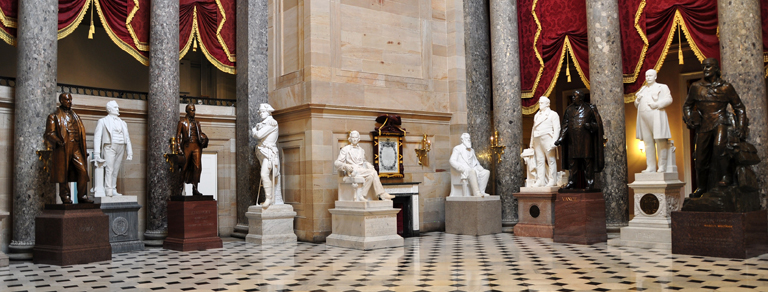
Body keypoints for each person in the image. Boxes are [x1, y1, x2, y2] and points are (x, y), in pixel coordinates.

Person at [683, 58, 748, 198]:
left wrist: (742, 126)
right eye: (704, 67)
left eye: (708, 67)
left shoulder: (726, 87)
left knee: (720, 147)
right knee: (699, 158)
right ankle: (701, 187)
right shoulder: (696, 87)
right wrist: (689, 118)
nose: (705, 70)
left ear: (716, 69)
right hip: (703, 124)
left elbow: (739, 107)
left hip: (720, 120)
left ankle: (727, 177)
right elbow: (687, 105)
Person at [44, 93, 92, 204]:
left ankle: (82, 196)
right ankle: (65, 196)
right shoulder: (54, 116)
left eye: (70, 99)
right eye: (67, 100)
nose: (70, 101)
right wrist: (58, 141)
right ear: (61, 101)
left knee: (83, 171)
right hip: (63, 147)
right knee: (63, 174)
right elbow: (49, 133)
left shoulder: (76, 116)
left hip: (76, 146)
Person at [554, 90, 605, 190]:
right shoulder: (569, 109)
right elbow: (565, 125)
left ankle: (590, 183)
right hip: (572, 141)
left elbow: (597, 125)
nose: (573, 98)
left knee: (587, 162)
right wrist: (561, 138)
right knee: (572, 163)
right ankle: (572, 182)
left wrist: (590, 126)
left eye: (575, 96)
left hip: (585, 141)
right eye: (572, 96)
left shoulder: (589, 109)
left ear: (581, 98)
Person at [335, 131, 394, 201]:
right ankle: (382, 194)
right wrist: (345, 166)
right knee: (373, 173)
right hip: (352, 171)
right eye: (353, 137)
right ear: (350, 139)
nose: (354, 139)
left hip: (360, 170)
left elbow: (363, 162)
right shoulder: (345, 149)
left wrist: (368, 164)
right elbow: (337, 163)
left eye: (356, 137)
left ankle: (362, 195)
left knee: (371, 176)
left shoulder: (361, 150)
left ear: (358, 139)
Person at [634, 69, 673, 173]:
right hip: (643, 116)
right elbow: (636, 104)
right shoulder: (643, 89)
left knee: (660, 141)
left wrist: (657, 104)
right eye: (646, 76)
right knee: (647, 142)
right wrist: (637, 100)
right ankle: (650, 166)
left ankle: (662, 166)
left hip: (656, 115)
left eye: (650, 75)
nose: (648, 77)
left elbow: (669, 99)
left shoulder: (662, 87)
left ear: (655, 77)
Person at [93, 101, 133, 197]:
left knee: (116, 169)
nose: (118, 109)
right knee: (109, 169)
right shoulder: (103, 121)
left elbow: (127, 137)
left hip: (121, 146)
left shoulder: (123, 123)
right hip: (109, 146)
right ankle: (108, 190)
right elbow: (97, 137)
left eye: (117, 107)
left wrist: (129, 151)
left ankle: (113, 188)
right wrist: (97, 153)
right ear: (110, 109)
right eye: (115, 107)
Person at [251, 103, 281, 208]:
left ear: (268, 112)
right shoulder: (263, 123)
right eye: (260, 112)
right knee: (264, 175)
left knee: (264, 174)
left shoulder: (272, 123)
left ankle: (269, 198)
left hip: (269, 153)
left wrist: (254, 129)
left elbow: (259, 135)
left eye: (263, 112)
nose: (261, 114)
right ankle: (269, 198)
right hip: (261, 152)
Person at [176, 103, 209, 196]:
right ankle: (180, 188)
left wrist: (204, 137)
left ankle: (195, 188)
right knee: (184, 167)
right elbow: (178, 136)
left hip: (196, 146)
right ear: (187, 111)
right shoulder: (182, 122)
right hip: (187, 146)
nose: (193, 112)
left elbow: (199, 133)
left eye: (194, 110)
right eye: (191, 110)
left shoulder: (197, 123)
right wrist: (179, 148)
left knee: (197, 167)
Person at [529, 96, 560, 187]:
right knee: (540, 160)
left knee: (551, 160)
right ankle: (540, 180)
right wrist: (531, 142)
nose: (539, 104)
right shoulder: (537, 115)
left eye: (541, 103)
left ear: (547, 104)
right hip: (537, 138)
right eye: (539, 102)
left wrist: (554, 141)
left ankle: (552, 180)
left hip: (547, 137)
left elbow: (557, 128)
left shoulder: (553, 114)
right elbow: (533, 129)